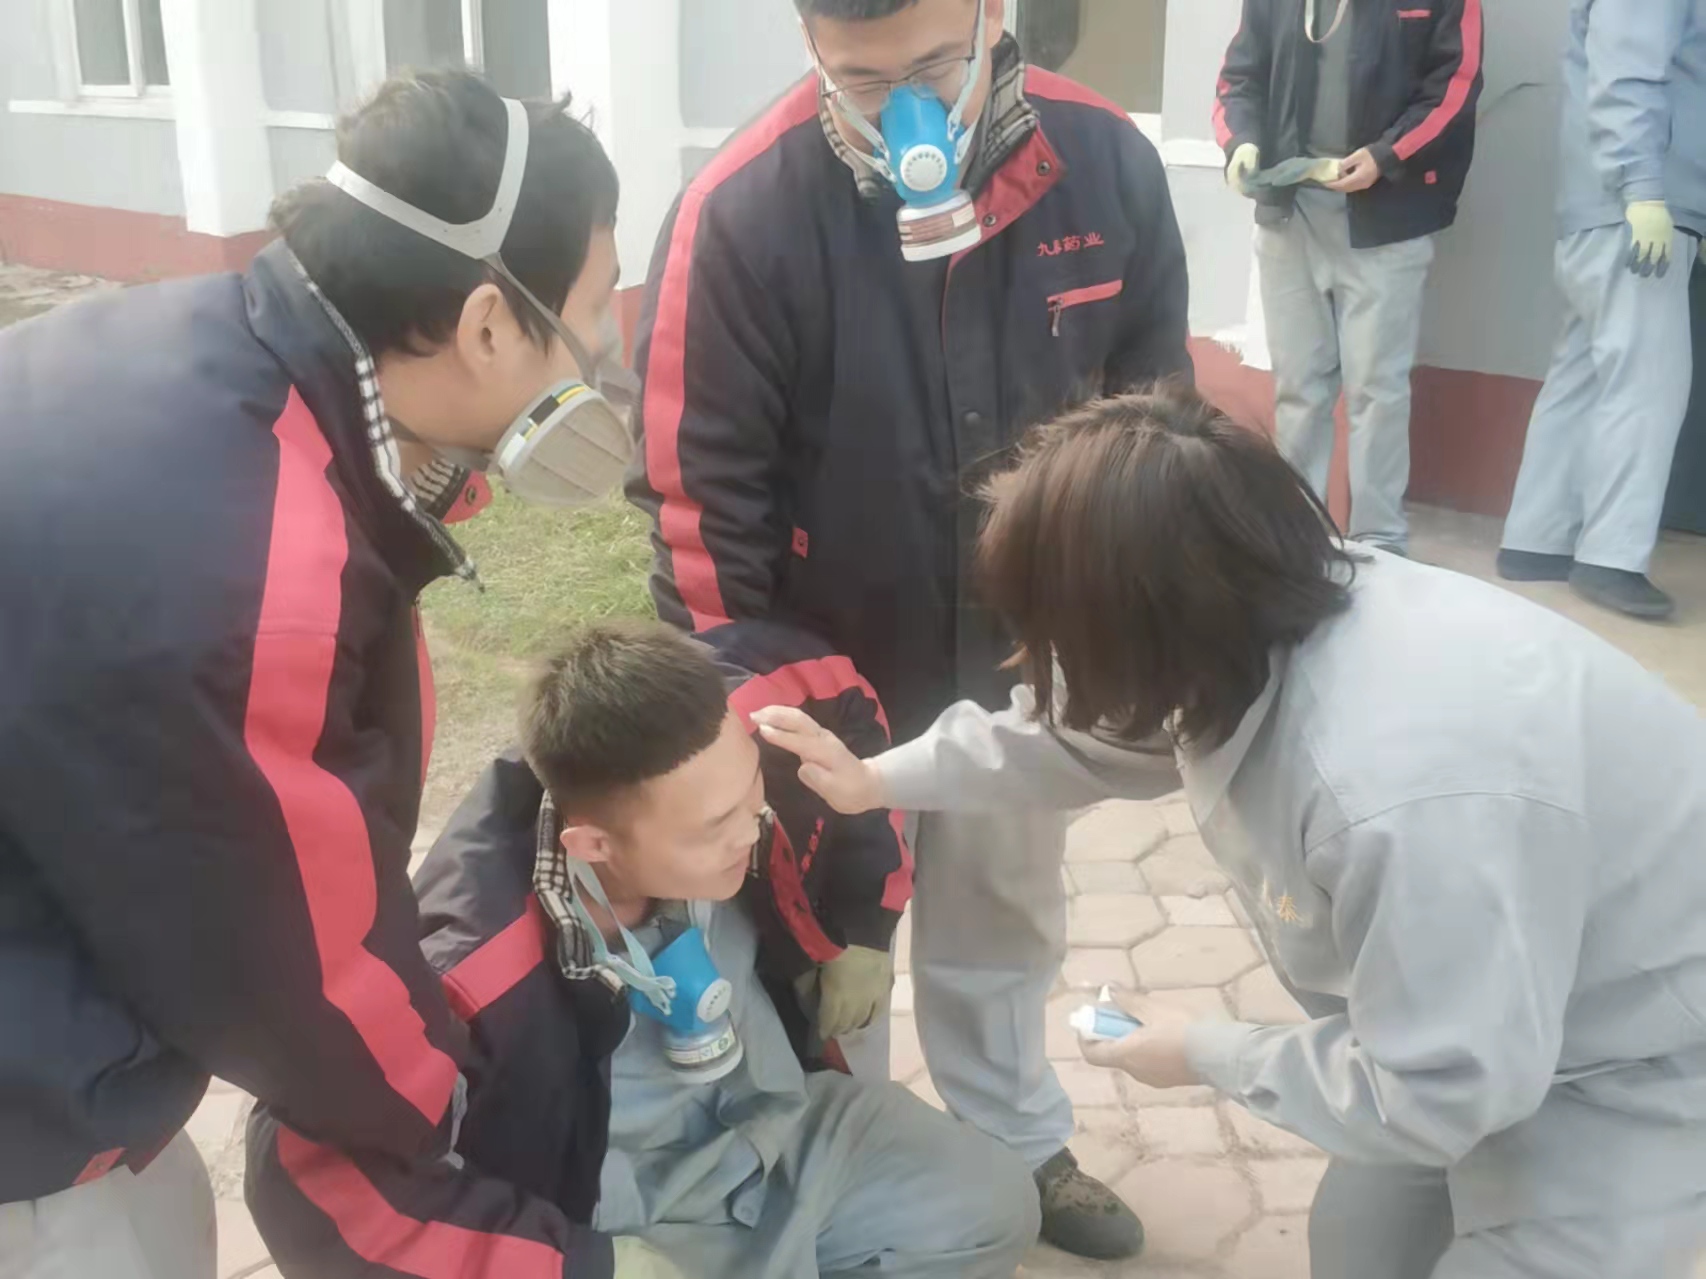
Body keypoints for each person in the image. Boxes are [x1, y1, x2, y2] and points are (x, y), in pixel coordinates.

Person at [756, 386, 1706, 1279]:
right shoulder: (1255, 605)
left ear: (1146, 628)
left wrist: (1207, 1051)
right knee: (1357, 1242)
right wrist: (876, 779)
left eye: (1055, 636)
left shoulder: (1396, 790)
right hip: (1481, 1022)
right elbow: (1086, 738)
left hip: (1640, 1059)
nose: (1036, 663)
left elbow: (1437, 1093)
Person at [0, 70, 653, 1278]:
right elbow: (289, 962)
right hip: (29, 1124)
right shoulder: (256, 562)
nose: (604, 356)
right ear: (488, 325)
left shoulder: (206, 343)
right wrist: (444, 1112)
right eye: (593, 317)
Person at [626, 0, 1192, 1258]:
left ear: (994, 16)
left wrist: (1113, 632)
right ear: (809, 44)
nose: (907, 116)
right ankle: (853, 1166)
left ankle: (1015, 1135)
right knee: (833, 951)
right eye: (862, 82)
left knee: (1006, 914)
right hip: (829, 683)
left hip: (1025, 659)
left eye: (937, 65)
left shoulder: (1103, 162)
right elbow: (696, 503)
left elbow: (1156, 423)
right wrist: (763, 714)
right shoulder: (742, 211)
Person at [273, 622, 1037, 1279]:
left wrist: (865, 923)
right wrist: (582, 1263)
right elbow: (310, 1171)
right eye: (714, 828)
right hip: (625, 1217)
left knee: (995, 1203)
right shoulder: (466, 974)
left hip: (779, 1135)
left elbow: (842, 693)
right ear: (593, 845)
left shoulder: (722, 732)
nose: (752, 829)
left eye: (751, 793)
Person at [1217, 0, 1483, 556]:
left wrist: (1388, 154)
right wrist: (1241, 142)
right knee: (1299, 389)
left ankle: (1380, 539)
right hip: (1290, 212)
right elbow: (1239, 77)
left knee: (1378, 391)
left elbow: (1454, 84)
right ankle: (1298, 535)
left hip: (1386, 219)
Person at [1498, 0, 1706, 621]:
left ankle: (1535, 541)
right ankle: (1611, 559)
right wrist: (1642, 188)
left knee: (1583, 377)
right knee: (1649, 382)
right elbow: (1626, 73)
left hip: (1610, 209)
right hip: (1639, 209)